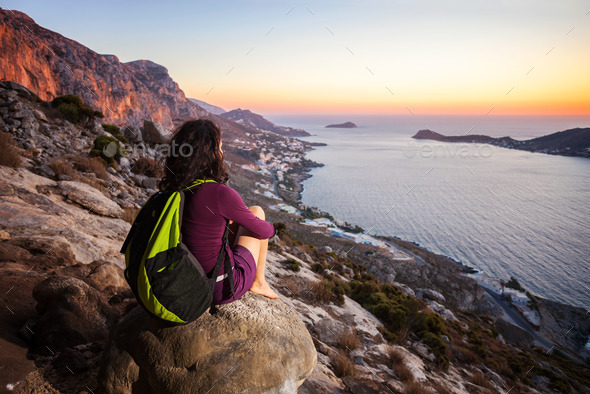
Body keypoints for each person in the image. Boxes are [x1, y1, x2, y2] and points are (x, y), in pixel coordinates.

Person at [159, 119, 279, 304]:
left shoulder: (175, 187)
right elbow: (262, 231)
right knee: (257, 212)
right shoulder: (219, 193)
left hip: (187, 279)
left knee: (227, 223)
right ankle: (259, 282)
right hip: (218, 288)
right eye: (220, 149)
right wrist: (274, 230)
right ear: (211, 154)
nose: (222, 153)